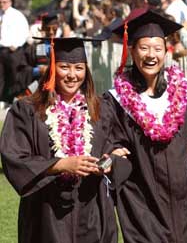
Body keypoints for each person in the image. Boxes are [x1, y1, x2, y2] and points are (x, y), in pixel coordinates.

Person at [104, 8, 187, 243]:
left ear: (166, 52)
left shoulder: (184, 91)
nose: (151, 55)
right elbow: (111, 138)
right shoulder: (117, 100)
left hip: (184, 197)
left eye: (157, 48)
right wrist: (114, 151)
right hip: (142, 198)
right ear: (131, 51)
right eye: (143, 48)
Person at [0, 37, 117, 243]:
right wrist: (60, 164)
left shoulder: (101, 109)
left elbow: (116, 148)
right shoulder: (27, 110)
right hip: (45, 212)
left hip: (91, 210)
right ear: (53, 69)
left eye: (79, 68)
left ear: (86, 71)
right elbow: (14, 156)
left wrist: (106, 163)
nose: (72, 75)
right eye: (64, 67)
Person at [0, 0, 29, 104]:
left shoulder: (17, 15)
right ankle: (2, 99)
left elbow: (24, 31)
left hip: (13, 51)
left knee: (14, 75)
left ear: (10, 2)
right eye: (0, 2)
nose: (2, 4)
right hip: (1, 49)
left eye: (4, 2)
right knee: (1, 75)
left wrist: (16, 44)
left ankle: (12, 99)